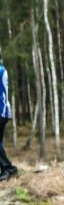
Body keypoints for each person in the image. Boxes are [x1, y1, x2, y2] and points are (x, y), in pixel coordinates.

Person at [0, 50, 18, 181]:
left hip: (1, 112)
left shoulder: (1, 71)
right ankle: (8, 169)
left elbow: (3, 96)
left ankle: (8, 169)